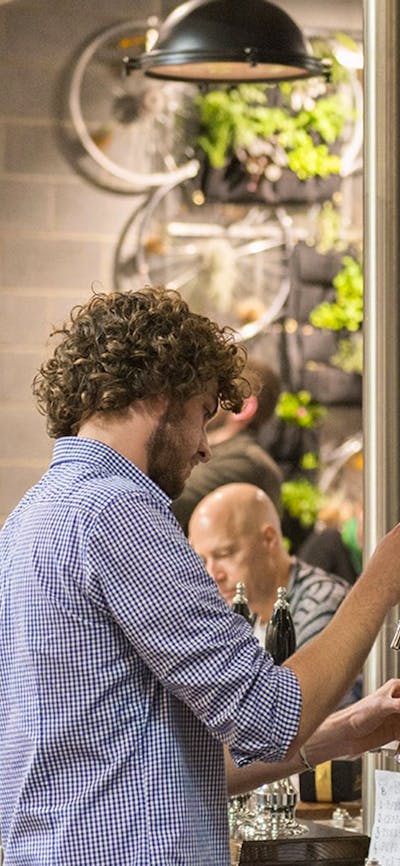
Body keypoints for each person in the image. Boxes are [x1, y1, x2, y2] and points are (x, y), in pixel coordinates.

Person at [1, 286, 400, 866]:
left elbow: (164, 767)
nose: (205, 447)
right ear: (163, 393)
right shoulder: (118, 513)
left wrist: (340, 733)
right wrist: (382, 579)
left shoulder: (31, 517)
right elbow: (267, 714)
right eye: (202, 413)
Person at [188, 482, 360, 704]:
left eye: (224, 554)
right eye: (202, 561)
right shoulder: (233, 611)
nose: (213, 574)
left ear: (269, 539)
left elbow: (301, 713)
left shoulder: (322, 604)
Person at [172, 359, 283, 534]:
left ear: (244, 407)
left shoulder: (246, 462)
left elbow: (164, 500)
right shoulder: (225, 454)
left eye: (213, 396)